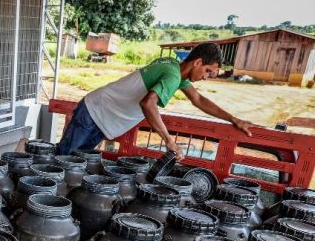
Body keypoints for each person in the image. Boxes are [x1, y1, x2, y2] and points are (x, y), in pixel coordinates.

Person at [51, 42, 254, 160]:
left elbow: (198, 99)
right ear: (198, 62)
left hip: (101, 116)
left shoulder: (176, 70)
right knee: (62, 162)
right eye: (208, 71)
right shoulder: (173, 75)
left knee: (76, 162)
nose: (205, 76)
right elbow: (148, 103)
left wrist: (233, 119)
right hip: (94, 112)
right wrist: (169, 140)